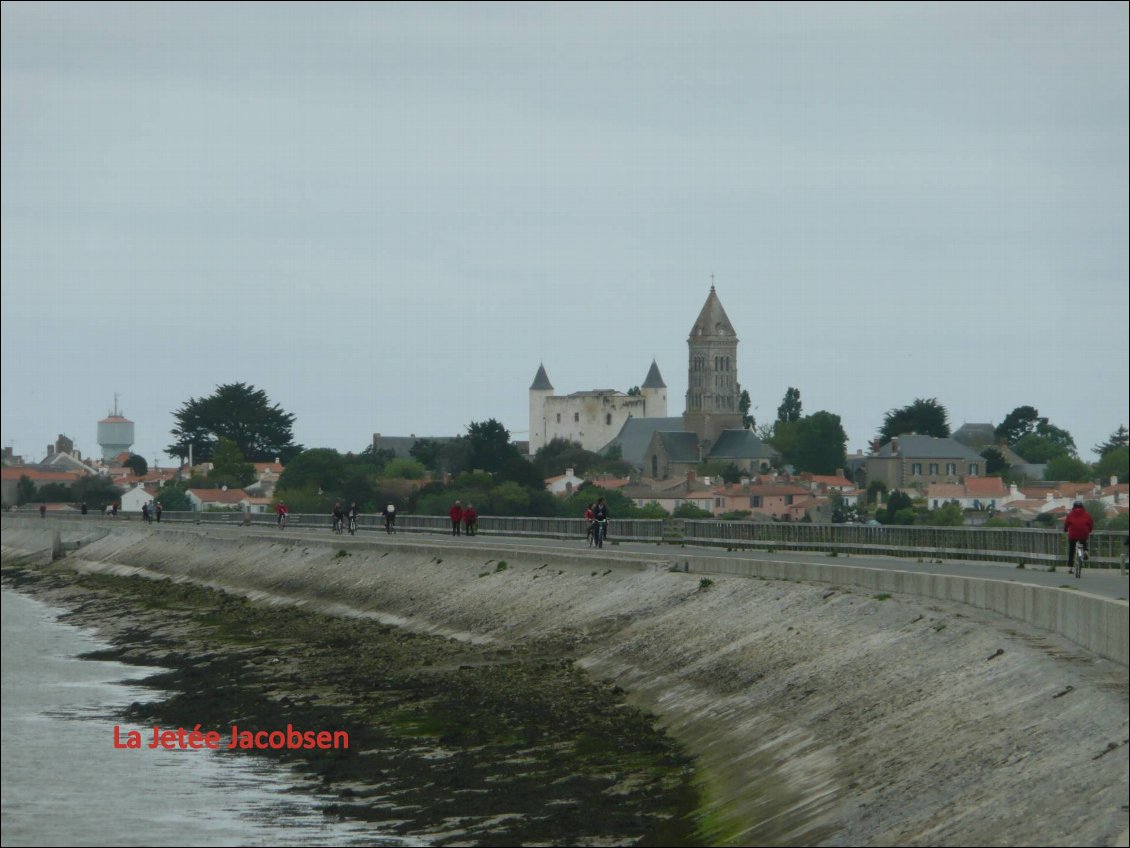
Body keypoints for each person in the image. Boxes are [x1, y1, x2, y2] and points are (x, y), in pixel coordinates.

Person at [1064, 501, 1094, 572]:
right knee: (1083, 540)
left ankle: (1070, 567)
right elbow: (1091, 523)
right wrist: (1090, 530)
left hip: (1073, 534)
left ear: (1073, 507)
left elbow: (1066, 524)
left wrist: (1065, 530)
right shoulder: (1087, 514)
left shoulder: (1070, 514)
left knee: (1071, 550)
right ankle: (1086, 551)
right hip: (1083, 532)